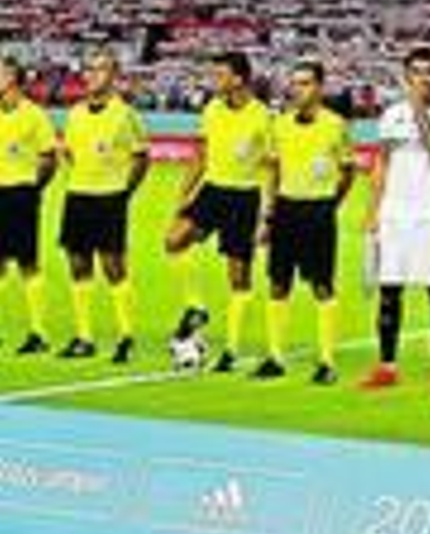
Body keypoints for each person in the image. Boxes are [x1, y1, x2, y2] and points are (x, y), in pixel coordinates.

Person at [360, 47, 430, 397]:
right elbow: (382, 164)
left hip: (429, 213)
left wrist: (418, 106)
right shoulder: (391, 115)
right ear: (406, 76)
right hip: (393, 213)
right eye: (417, 72)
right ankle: (387, 367)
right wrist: (372, 211)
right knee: (389, 291)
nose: (424, 77)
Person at [167, 51, 273, 374]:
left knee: (238, 277)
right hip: (212, 191)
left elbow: (272, 167)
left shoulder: (263, 116)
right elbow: (201, 154)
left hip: (244, 197)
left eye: (222, 75)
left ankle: (231, 349)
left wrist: (269, 214)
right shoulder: (212, 109)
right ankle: (196, 307)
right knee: (174, 241)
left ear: (239, 79)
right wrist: (184, 194)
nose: (216, 81)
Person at [253, 59, 355, 383]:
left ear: (320, 88)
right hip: (285, 209)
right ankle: (275, 357)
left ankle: (327, 362)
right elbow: (273, 170)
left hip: (318, 211)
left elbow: (348, 170)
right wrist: (267, 214)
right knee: (278, 284)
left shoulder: (335, 125)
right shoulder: (279, 125)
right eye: (295, 83)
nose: (298, 89)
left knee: (322, 285)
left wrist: (331, 203)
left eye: (306, 83)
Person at [58, 49, 148, 364]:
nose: (93, 75)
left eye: (101, 69)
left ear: (114, 75)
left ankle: (126, 336)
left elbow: (141, 158)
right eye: (90, 69)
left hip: (110, 197)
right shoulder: (75, 113)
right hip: (78, 194)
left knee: (113, 267)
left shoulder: (125, 114)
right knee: (78, 265)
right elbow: (68, 152)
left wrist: (124, 192)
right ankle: (84, 337)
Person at [0, 54, 57, 353]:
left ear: (13, 79)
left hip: (20, 192)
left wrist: (34, 189)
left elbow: (49, 157)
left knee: (27, 263)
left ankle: (38, 332)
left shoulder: (34, 115)